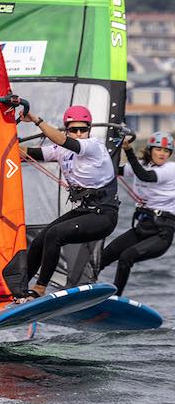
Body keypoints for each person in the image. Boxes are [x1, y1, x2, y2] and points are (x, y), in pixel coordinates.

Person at [15, 105, 119, 301]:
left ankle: (39, 288)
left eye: (83, 129)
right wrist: (5, 141)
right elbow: (27, 153)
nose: (79, 134)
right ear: (67, 129)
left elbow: (64, 141)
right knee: (39, 241)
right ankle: (19, 290)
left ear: (89, 130)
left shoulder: (94, 146)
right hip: (84, 211)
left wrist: (37, 120)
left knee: (55, 234)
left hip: (104, 216)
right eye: (73, 130)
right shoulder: (60, 151)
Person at [102, 132, 175, 295]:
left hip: (161, 233)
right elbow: (116, 170)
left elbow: (145, 176)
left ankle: (116, 298)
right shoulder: (142, 164)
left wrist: (128, 151)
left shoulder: (171, 169)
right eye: (158, 149)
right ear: (150, 150)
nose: (162, 153)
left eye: (166, 151)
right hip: (142, 228)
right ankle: (84, 288)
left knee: (126, 257)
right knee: (104, 256)